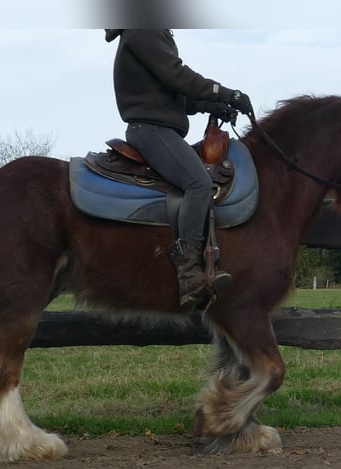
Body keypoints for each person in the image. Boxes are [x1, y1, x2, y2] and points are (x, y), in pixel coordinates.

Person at [105, 29, 253, 310]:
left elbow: (176, 93)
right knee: (199, 184)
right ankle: (189, 275)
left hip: (159, 129)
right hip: (151, 130)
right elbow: (177, 75)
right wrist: (226, 93)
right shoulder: (143, 28)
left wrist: (216, 104)